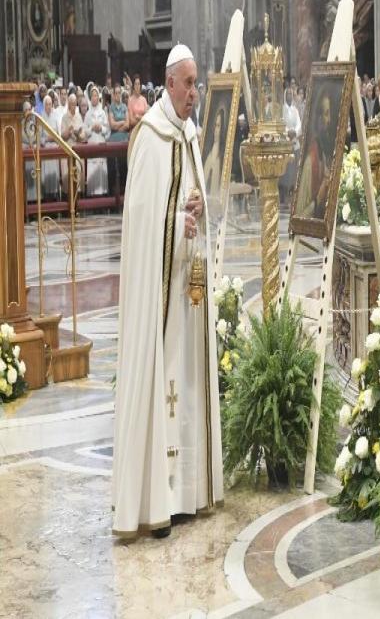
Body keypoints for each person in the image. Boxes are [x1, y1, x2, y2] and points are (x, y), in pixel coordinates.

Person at [113, 43, 223, 539]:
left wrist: (198, 211)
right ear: (170, 82)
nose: (195, 93)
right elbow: (141, 222)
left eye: (197, 84)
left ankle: (189, 493)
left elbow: (194, 198)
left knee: (189, 385)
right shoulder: (151, 138)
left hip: (187, 290)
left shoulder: (188, 135)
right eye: (189, 84)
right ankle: (158, 500)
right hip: (160, 296)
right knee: (165, 384)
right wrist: (179, 224)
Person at [297, 92, 334, 219]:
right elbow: (300, 216)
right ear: (318, 119)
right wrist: (319, 197)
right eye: (326, 114)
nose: (329, 120)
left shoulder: (321, 152)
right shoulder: (309, 162)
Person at [85, 86, 110, 195]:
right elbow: (85, 132)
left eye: (96, 96)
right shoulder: (87, 114)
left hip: (101, 142)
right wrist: (92, 128)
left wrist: (101, 128)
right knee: (92, 168)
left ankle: (103, 193)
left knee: (101, 168)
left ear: (98, 97)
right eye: (92, 96)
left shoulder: (103, 113)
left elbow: (107, 130)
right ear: (90, 98)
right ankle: (92, 195)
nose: (94, 98)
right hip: (92, 143)